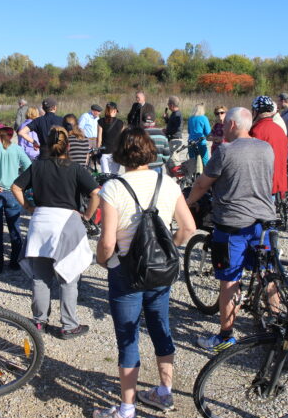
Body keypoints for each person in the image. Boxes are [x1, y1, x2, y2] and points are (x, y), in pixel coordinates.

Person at [93, 128, 196, 418]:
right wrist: (167, 250)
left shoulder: (114, 187)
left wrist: (104, 262)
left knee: (128, 338)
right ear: (151, 151)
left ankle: (127, 408)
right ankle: (164, 392)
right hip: (159, 270)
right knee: (160, 326)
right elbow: (188, 228)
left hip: (126, 271)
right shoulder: (167, 182)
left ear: (120, 154)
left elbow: (108, 242)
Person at [185, 107, 276, 351]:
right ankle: (277, 325)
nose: (223, 127)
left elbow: (203, 183)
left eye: (226, 124)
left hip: (232, 225)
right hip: (265, 222)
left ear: (234, 125)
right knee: (267, 274)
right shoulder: (266, 148)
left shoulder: (225, 151)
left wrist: (188, 203)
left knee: (230, 281)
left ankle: (225, 337)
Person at [11, 126, 100, 338]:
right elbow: (96, 193)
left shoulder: (37, 166)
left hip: (40, 222)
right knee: (68, 276)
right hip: (67, 221)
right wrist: (87, 215)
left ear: (47, 146)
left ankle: (39, 322)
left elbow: (16, 187)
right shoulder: (76, 168)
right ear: (67, 145)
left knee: (40, 277)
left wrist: (29, 207)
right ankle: (69, 325)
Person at [0, 123, 31, 272]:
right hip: (13, 192)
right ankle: (15, 261)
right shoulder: (16, 148)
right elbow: (29, 165)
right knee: (15, 227)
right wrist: (21, 183)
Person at [250, 96, 288, 199]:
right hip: (278, 181)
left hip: (262, 185)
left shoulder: (256, 131)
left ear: (256, 111)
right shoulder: (279, 129)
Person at [97, 102, 124, 174]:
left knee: (105, 176)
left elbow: (99, 139)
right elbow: (122, 138)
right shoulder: (120, 123)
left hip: (104, 152)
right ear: (115, 111)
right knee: (114, 175)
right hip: (116, 153)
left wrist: (98, 152)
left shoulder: (101, 121)